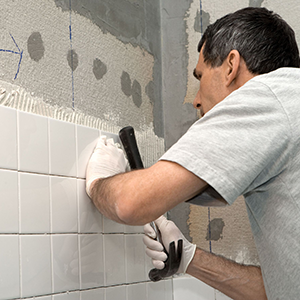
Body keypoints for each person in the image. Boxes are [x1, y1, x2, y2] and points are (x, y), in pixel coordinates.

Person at [86, 7, 300, 300]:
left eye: (200, 77)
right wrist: (188, 257)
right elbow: (279, 290)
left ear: (231, 66)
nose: (197, 101)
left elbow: (128, 204)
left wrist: (99, 182)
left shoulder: (269, 97)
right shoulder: (290, 105)